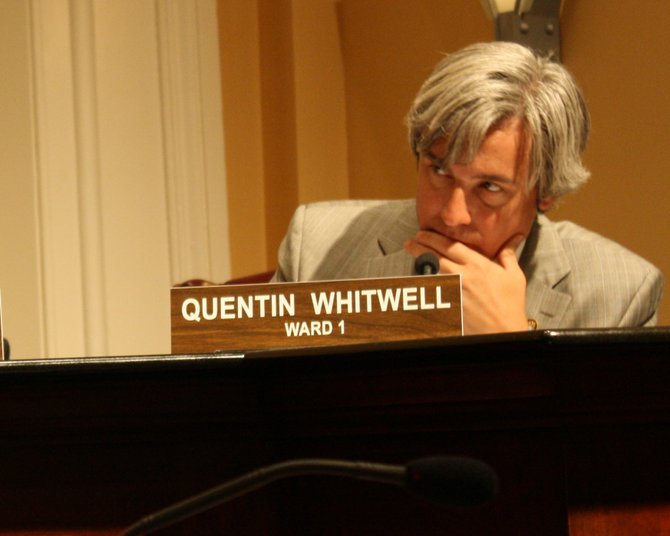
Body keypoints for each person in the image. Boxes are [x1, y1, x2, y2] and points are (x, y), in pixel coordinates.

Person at [271, 42, 663, 334]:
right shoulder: (318, 249)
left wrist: (512, 341)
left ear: (546, 193)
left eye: (489, 187)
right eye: (439, 170)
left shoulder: (618, 294)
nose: (451, 215)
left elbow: (602, 446)